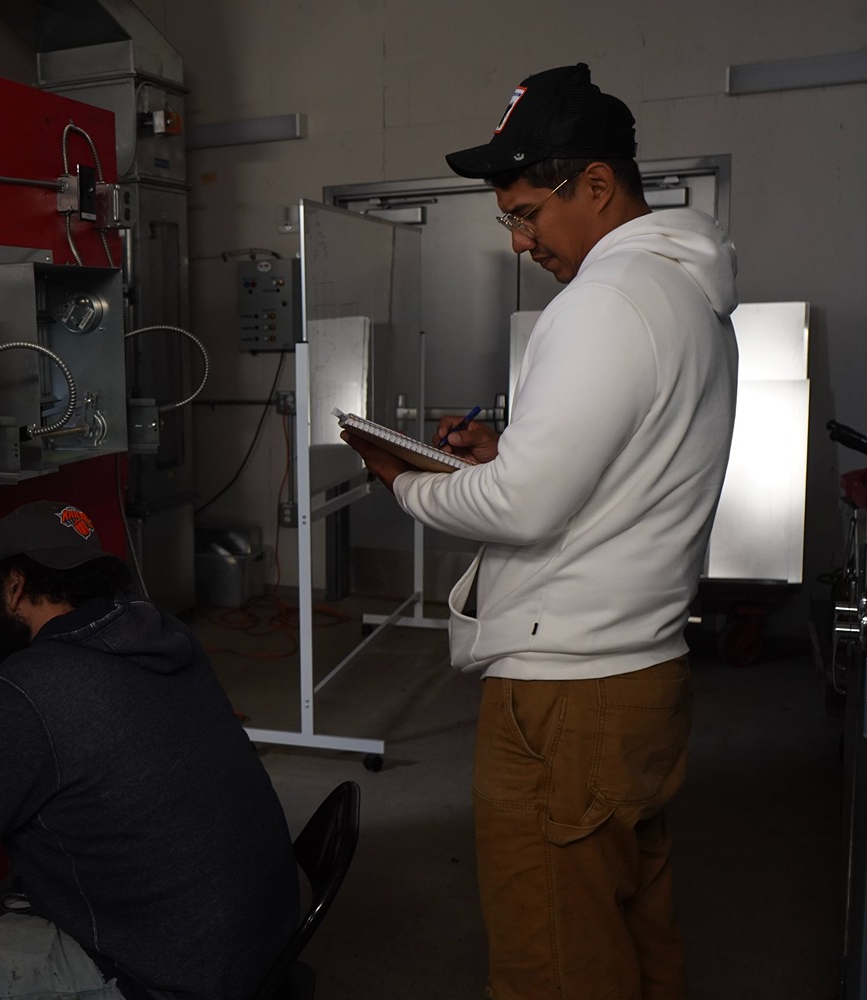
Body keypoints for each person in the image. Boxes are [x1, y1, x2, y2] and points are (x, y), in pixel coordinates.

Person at [341, 64, 738, 1000]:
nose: (521, 242)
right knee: (632, 920)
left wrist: (405, 484)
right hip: (635, 675)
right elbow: (618, 464)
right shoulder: (688, 296)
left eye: (527, 213)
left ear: (594, 186)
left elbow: (522, 510)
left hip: (570, 697)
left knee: (552, 956)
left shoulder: (604, 302)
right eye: (508, 220)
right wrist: (507, 447)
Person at [0, 500, 299, 1000]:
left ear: (15, 586)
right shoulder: (161, 636)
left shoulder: (24, 692)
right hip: (257, 940)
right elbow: (54, 742)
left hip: (170, 976)